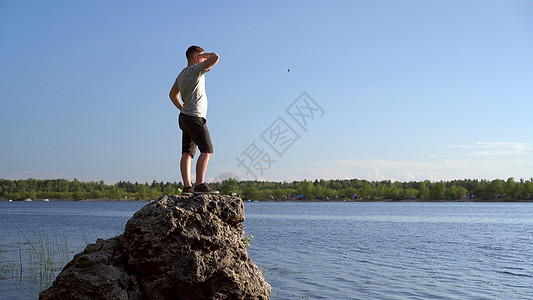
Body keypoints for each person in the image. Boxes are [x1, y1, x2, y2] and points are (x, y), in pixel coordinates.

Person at [169, 45, 220, 195]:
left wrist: (182, 107)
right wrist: (205, 56)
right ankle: (200, 185)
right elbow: (216, 57)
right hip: (195, 117)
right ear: (195, 57)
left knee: (187, 153)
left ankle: (187, 187)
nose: (204, 58)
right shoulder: (196, 70)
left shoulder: (181, 74)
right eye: (201, 56)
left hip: (184, 117)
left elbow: (172, 95)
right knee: (207, 149)